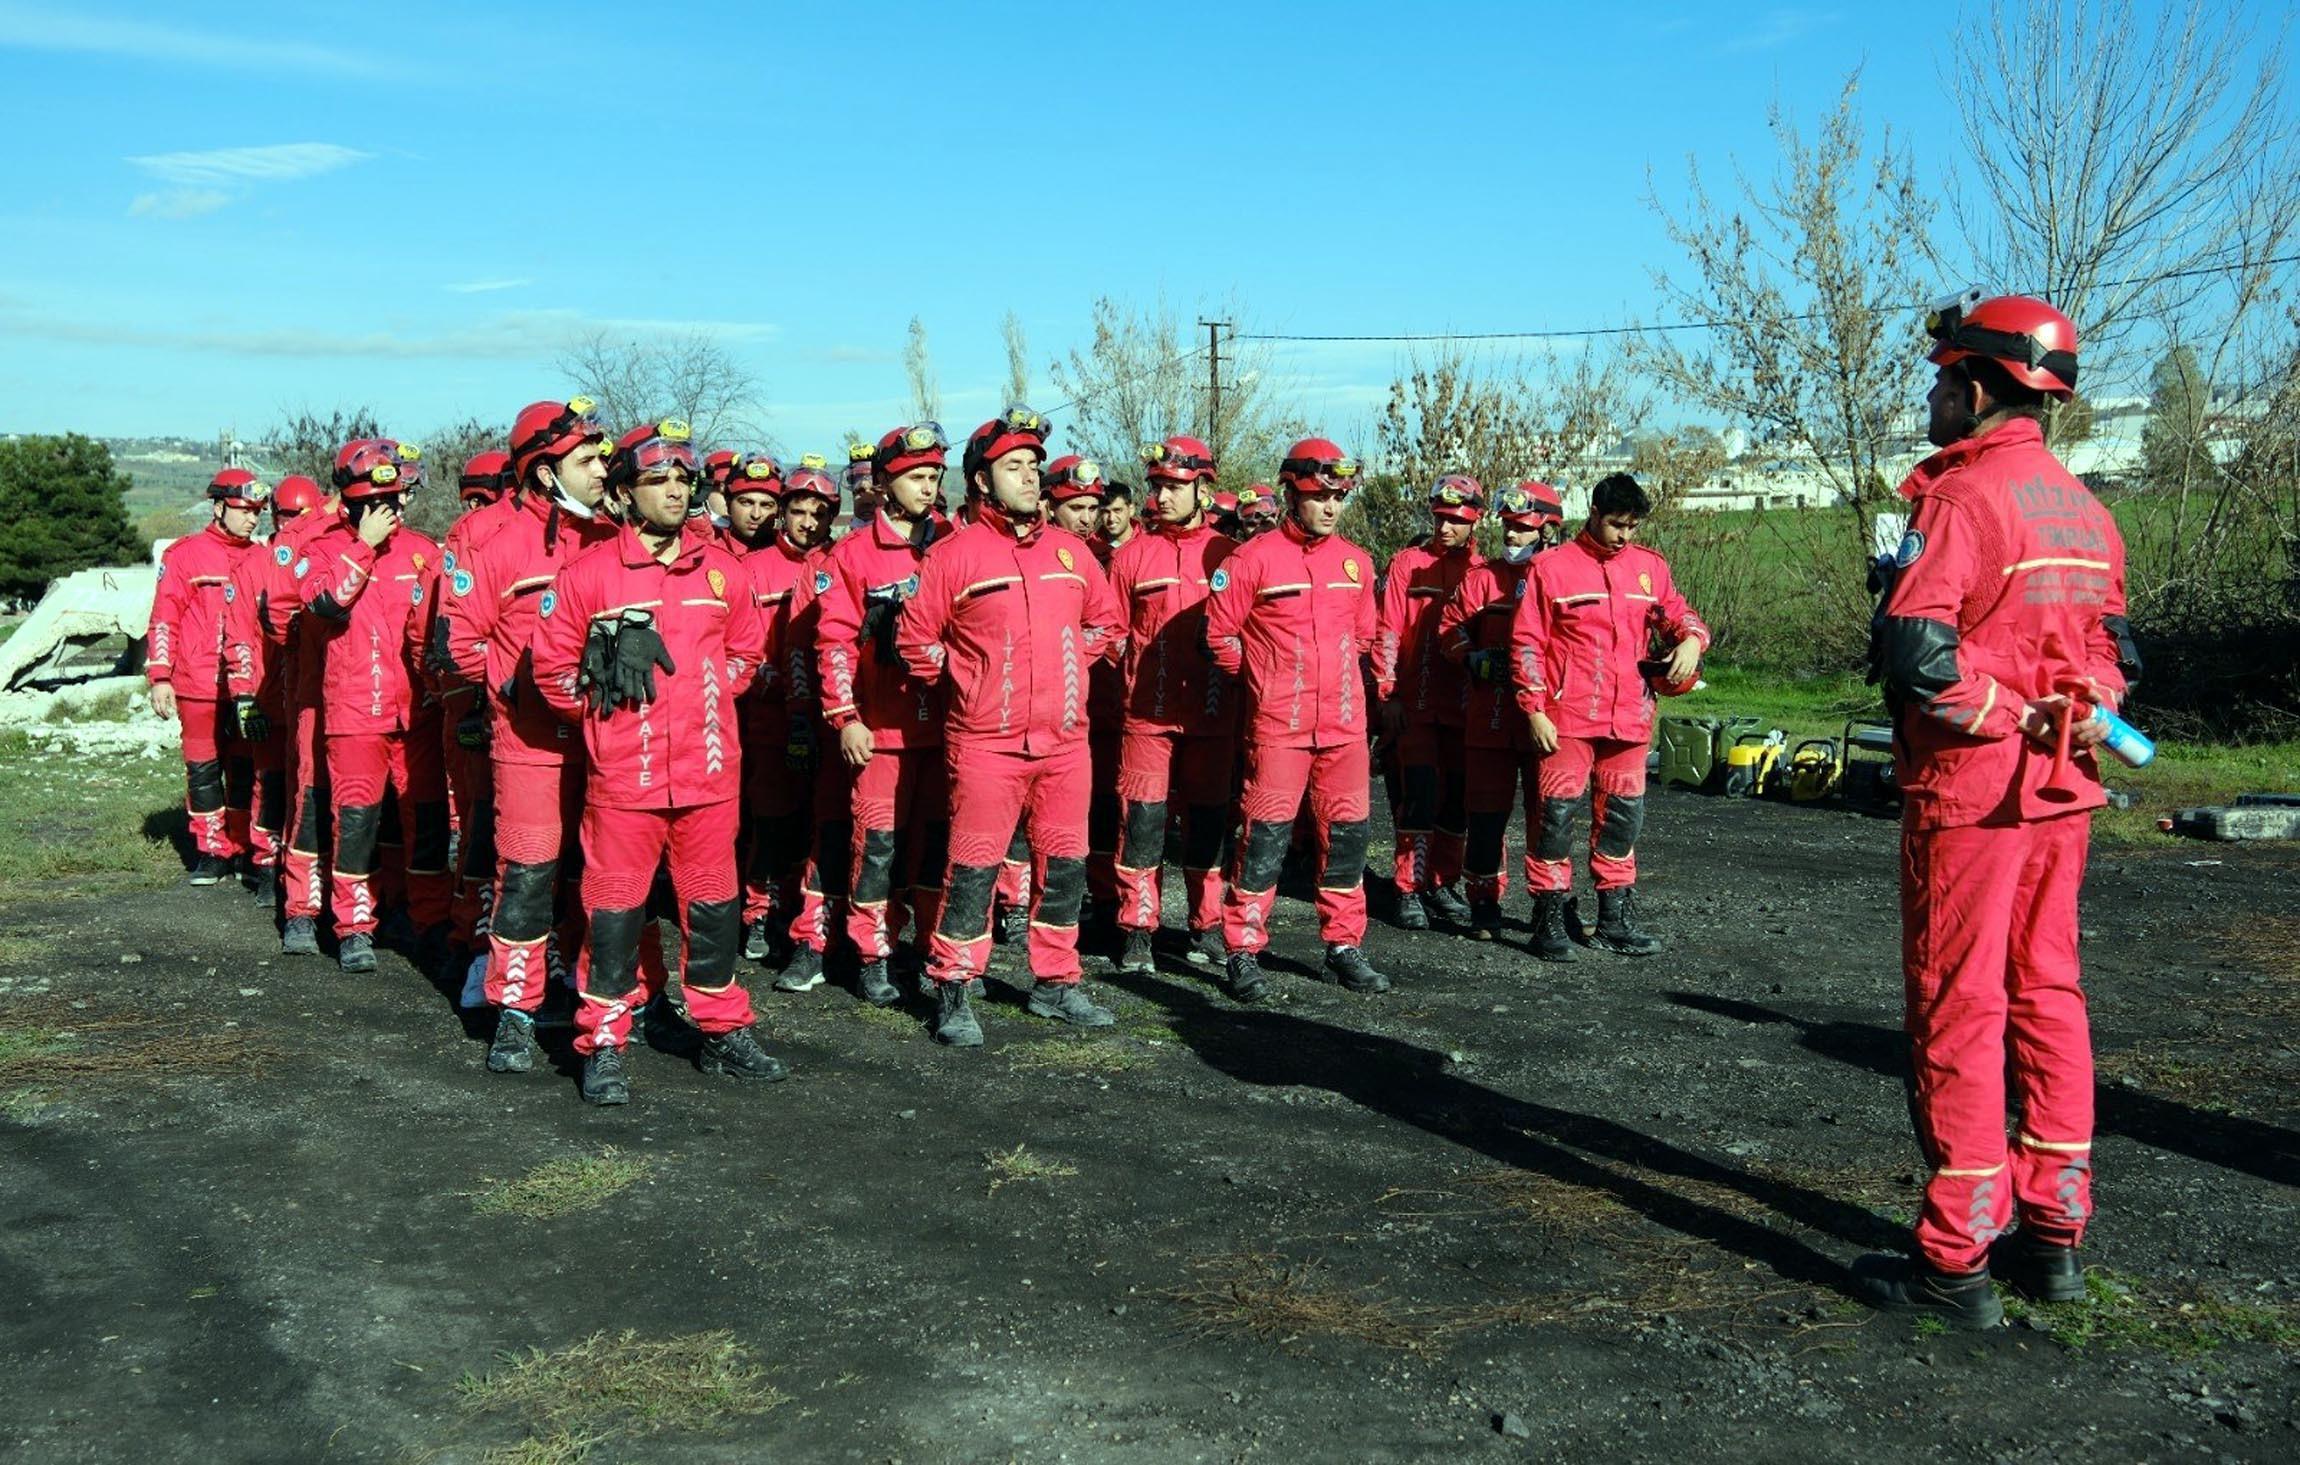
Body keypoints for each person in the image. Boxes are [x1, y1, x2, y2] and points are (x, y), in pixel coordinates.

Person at [1853, 294, 2136, 1327]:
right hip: (2062, 788)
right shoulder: (2084, 509)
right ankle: (2054, 1232)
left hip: (1973, 794)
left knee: (1957, 1003)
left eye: (1940, 380)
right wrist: (2083, 709)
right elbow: (2115, 655)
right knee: (2048, 993)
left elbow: (1917, 655)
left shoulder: (1962, 499)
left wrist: (2005, 713)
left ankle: (1954, 1260)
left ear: (1976, 387)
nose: (1931, 397)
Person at [530, 419, 784, 1104]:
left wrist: (707, 699)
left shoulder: (721, 570)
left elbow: (745, 652)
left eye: (683, 478)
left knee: (714, 911)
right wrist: (607, 709)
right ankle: (604, 1042)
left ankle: (721, 1028)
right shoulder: (586, 577)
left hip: (709, 780)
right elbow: (551, 672)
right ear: (622, 493)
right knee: (613, 918)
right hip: (624, 784)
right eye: (657, 479)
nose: (675, 490)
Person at [896, 406, 1125, 1046]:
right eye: (1014, 466)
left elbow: (1107, 623)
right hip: (985, 744)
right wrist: (972, 678)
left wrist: (1068, 665)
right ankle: (954, 986)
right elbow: (915, 643)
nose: (1029, 477)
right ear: (981, 480)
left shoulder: (1071, 551)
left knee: (1066, 865)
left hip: (1066, 742)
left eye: (1033, 466)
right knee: (973, 869)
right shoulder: (953, 556)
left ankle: (1056, 982)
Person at [442, 397, 621, 1072]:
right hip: (529, 744)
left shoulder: (610, 536)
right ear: (546, 472)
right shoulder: (487, 538)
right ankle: (514, 1010)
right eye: (587, 461)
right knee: (527, 874)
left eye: (601, 458)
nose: (601, 471)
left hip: (603, 740)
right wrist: (520, 686)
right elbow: (456, 642)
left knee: (595, 873)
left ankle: (586, 990)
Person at [1205, 437, 1388, 1001]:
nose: (1331, 508)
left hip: (1344, 730)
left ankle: (1344, 946)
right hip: (1278, 729)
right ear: (1291, 495)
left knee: (1347, 839)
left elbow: (1363, 637)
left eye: (1338, 498)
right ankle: (1242, 950)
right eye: (1319, 497)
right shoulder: (1251, 560)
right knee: (1264, 840)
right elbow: (1220, 636)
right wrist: (1265, 683)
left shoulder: (1357, 563)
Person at [1509, 473, 1708, 961]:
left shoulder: (1649, 567)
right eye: (1617, 524)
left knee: (1622, 820)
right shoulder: (1550, 568)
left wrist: (1691, 640)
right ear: (1594, 513)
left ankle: (1614, 920)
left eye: (1632, 526)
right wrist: (1533, 709)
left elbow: (1678, 613)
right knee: (1555, 820)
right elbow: (1526, 643)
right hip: (1566, 719)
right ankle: (1548, 920)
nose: (1624, 535)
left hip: (1630, 719)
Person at [294, 440, 449, 974]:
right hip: (354, 712)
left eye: (400, 497)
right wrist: (363, 546)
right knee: (356, 824)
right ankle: (354, 926)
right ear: (360, 502)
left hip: (417, 716)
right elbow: (326, 603)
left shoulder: (422, 551)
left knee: (426, 825)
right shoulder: (321, 550)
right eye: (388, 499)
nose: (398, 507)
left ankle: (430, 923)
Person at [815, 422, 951, 1005]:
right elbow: (833, 641)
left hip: (947, 729)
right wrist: (846, 716)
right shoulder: (853, 554)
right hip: (882, 731)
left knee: (939, 846)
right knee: (877, 847)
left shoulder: (952, 544)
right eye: (916, 476)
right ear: (885, 483)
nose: (928, 487)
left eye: (934, 476)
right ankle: (872, 954)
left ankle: (931, 949)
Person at [1105, 435, 1237, 973]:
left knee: (1208, 823)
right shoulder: (1131, 555)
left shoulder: (1229, 555)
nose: (1161, 497)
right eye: (1156, 486)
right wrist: (1131, 673)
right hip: (1147, 717)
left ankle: (1208, 926)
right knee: (1141, 823)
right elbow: (1110, 632)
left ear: (1203, 489)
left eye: (1174, 487)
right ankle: (1138, 930)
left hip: (1213, 714)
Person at [727, 453, 839, 986]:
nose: (808, 522)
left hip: (831, 715)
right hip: (770, 718)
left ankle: (804, 913)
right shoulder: (751, 569)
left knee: (816, 824)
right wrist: (777, 686)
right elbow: (740, 647)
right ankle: (758, 911)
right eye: (798, 511)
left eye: (819, 513)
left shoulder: (837, 563)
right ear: (783, 513)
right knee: (771, 820)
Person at [1437, 482, 1561, 940]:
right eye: (1507, 526)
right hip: (1490, 716)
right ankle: (1483, 903)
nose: (1511, 535)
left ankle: (1549, 905)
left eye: (1522, 529)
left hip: (1548, 719)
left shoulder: (1563, 577)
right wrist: (1471, 657)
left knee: (1549, 816)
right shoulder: (1482, 579)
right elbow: (1448, 629)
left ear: (1548, 531)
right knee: (1486, 817)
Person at [422, 449, 519, 998]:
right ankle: (473, 943)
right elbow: (442, 636)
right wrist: (460, 699)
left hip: (525, 703)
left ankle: (491, 945)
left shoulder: (567, 528)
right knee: (480, 827)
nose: (477, 510)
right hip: (479, 699)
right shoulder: (471, 538)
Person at [149, 467, 271, 886]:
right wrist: (160, 676)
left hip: (247, 687)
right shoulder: (185, 555)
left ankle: (243, 847)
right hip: (196, 683)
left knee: (244, 768)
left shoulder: (263, 557)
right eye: (244, 510)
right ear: (219, 507)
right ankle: (211, 851)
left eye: (257, 511)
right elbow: (164, 618)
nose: (252, 519)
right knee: (203, 769)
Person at [1378, 475, 1486, 931]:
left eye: (1455, 521)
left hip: (1463, 708)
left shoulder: (1481, 571)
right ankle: (1408, 887)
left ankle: (1442, 882)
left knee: (1457, 800)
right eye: (1439, 518)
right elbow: (1387, 630)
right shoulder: (1408, 563)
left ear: (1475, 520)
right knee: (1417, 796)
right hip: (1415, 703)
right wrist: (1388, 693)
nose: (1444, 528)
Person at [251, 472, 342, 953]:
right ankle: (301, 910)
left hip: (373, 704)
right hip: (311, 693)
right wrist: (309, 650)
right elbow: (276, 618)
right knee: (308, 796)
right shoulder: (300, 540)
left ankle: (366, 912)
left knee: (365, 812)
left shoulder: (404, 546)